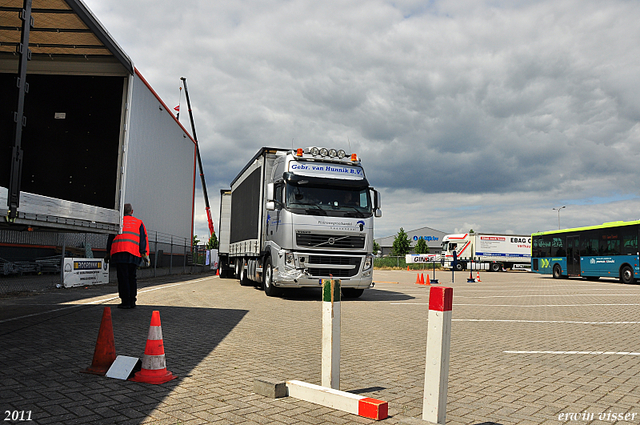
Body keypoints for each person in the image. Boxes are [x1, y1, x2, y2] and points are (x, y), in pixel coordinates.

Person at [106, 203, 149, 309]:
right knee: (132, 277)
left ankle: (125, 301)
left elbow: (110, 238)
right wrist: (144, 254)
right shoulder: (139, 222)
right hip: (134, 253)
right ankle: (132, 300)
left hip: (119, 253)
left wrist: (107, 253)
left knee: (123, 278)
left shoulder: (117, 222)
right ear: (132, 211)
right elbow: (142, 239)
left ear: (121, 212)